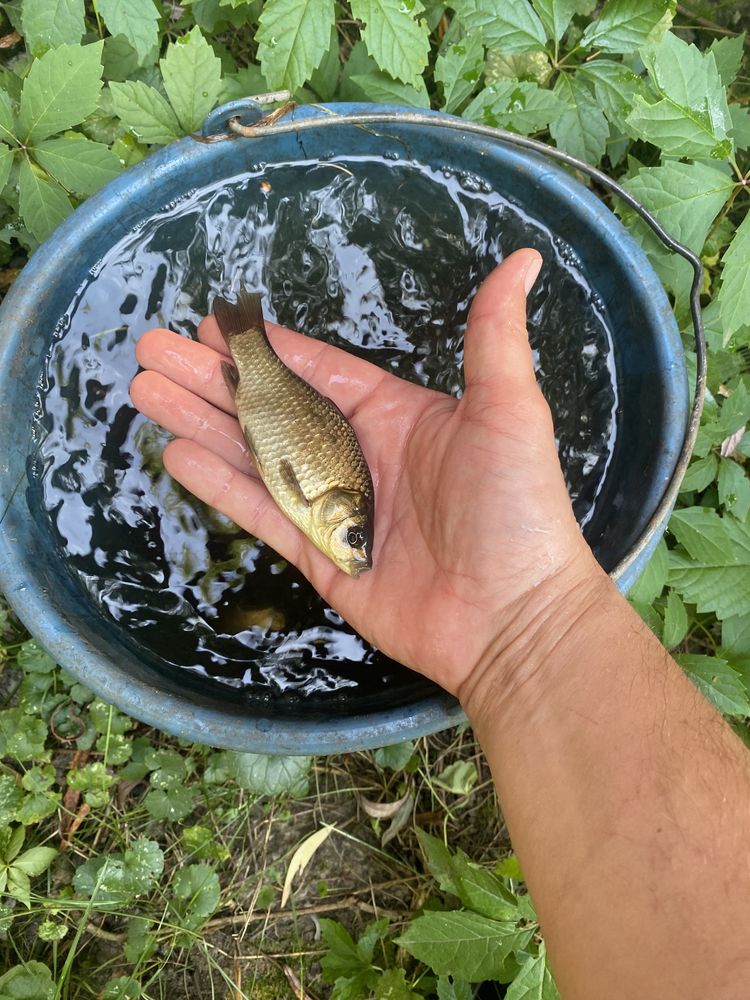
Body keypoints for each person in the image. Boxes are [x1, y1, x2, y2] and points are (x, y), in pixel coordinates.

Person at [130, 249, 750, 999]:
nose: (358, 552)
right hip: (288, 423)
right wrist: (530, 624)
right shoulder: (333, 500)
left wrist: (528, 618)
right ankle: (246, 331)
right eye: (356, 539)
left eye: (355, 539)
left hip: (292, 436)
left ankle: (243, 328)